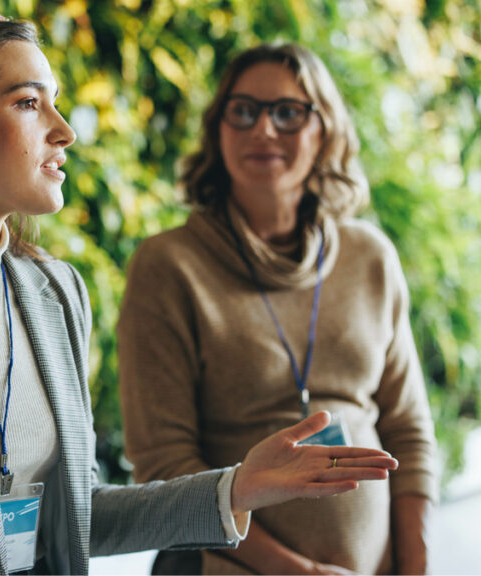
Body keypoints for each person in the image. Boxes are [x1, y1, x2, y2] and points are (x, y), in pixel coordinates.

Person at [0, 7, 398, 575]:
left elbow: (78, 518)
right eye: (27, 102)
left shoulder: (55, 292)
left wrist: (236, 489)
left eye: (57, 102)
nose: (64, 129)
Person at [118, 43, 437, 575]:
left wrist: (416, 566)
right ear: (218, 129)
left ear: (326, 130)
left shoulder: (370, 256)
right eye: (243, 111)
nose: (264, 130)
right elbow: (164, 467)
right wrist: (299, 573)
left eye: (288, 113)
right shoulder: (168, 266)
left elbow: (408, 430)